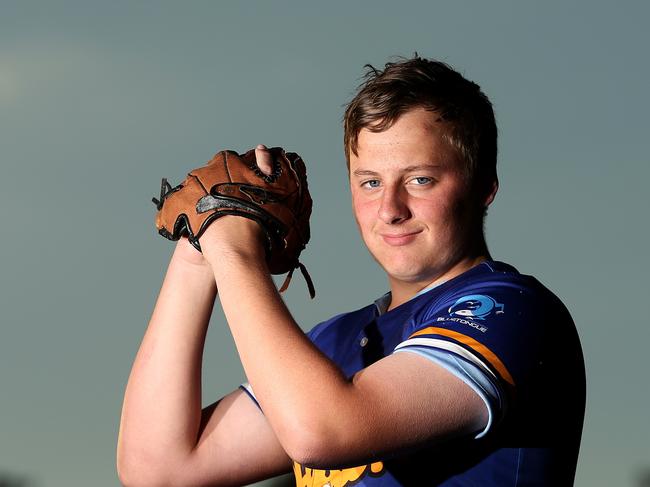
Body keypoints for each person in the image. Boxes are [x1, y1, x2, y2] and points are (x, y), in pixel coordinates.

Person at [117, 55, 586, 486]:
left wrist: (234, 252)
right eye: (370, 182)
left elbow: (319, 431)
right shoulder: (334, 343)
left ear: (484, 186)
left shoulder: (510, 311)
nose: (390, 208)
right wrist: (198, 250)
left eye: (420, 180)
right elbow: (158, 469)